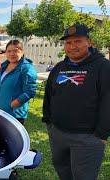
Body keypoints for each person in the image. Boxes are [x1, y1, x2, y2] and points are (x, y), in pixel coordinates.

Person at [42, 24, 110, 180]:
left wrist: (101, 134)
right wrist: (49, 122)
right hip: (58, 134)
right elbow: (49, 95)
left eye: (78, 41)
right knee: (63, 173)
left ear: (89, 42)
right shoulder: (59, 67)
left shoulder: (103, 67)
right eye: (68, 43)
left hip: (87, 138)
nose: (72, 46)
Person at [0, 40, 37, 125]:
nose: (12, 54)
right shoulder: (4, 66)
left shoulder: (26, 68)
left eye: (15, 50)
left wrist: (13, 104)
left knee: (10, 138)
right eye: (9, 51)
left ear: (22, 52)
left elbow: (30, 91)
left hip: (14, 115)